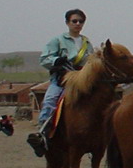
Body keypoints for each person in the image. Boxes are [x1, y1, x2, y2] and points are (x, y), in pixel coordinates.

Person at [27, 9, 93, 156]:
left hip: (81, 79)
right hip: (62, 79)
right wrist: (56, 60)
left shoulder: (86, 42)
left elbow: (91, 61)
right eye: (74, 21)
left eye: (81, 21)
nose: (77, 24)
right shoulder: (57, 40)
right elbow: (44, 59)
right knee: (50, 100)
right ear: (67, 23)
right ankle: (42, 133)